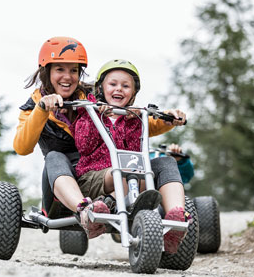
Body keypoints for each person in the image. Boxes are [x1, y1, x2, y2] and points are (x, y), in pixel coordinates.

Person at [71, 59, 189, 252]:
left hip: (131, 176)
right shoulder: (88, 112)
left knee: (165, 162)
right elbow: (84, 145)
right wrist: (101, 116)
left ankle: (176, 218)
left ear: (133, 93)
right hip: (95, 177)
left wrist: (170, 115)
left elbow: (154, 122)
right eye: (113, 84)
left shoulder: (136, 118)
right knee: (125, 170)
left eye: (126, 86)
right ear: (100, 88)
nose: (119, 89)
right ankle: (105, 203)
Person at [13, 36, 110, 239]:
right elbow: (22, 147)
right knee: (55, 156)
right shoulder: (33, 106)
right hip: (58, 193)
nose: (67, 77)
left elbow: (131, 121)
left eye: (73, 70)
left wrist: (166, 120)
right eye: (60, 69)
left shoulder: (94, 97)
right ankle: (84, 211)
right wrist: (42, 109)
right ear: (46, 72)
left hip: (98, 180)